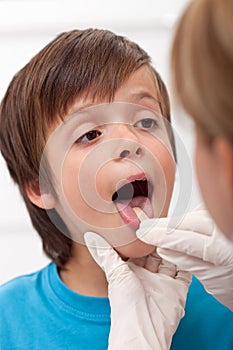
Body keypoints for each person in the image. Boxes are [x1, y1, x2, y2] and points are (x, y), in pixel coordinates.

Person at [0, 28, 189, 350]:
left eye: (146, 122)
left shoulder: (223, 298)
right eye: (89, 135)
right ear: (40, 185)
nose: (128, 141)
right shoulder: (8, 323)